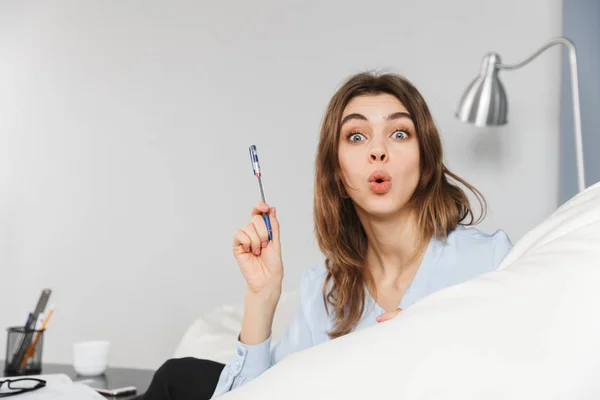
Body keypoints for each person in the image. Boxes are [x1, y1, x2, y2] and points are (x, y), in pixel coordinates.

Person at [142, 71, 513, 400]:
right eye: (356, 136)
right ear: (337, 173)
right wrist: (262, 295)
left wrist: (429, 345)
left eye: (399, 133)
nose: (378, 151)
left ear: (426, 160)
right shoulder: (323, 291)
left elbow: (525, 375)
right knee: (179, 376)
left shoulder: (491, 261)